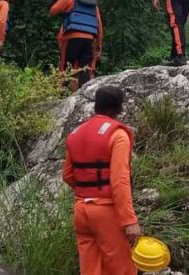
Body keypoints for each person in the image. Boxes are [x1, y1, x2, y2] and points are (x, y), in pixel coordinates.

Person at [63, 85, 141, 275]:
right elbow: (119, 180)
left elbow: (67, 175)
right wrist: (129, 221)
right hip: (106, 212)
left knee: (91, 270)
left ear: (96, 105)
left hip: (81, 211)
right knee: (122, 269)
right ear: (120, 108)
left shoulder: (76, 133)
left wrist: (87, 192)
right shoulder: (118, 135)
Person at [50, 0, 103, 91]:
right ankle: (83, 93)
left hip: (72, 38)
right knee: (85, 69)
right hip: (89, 40)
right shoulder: (93, 3)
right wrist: (99, 46)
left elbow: (53, 11)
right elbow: (99, 25)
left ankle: (61, 93)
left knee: (66, 67)